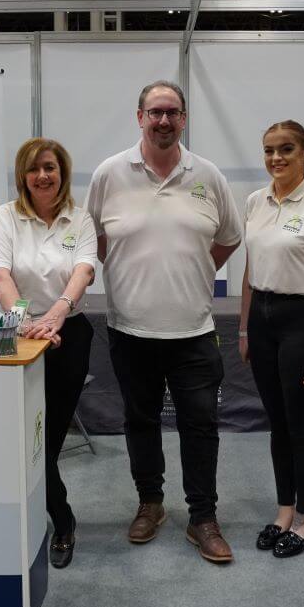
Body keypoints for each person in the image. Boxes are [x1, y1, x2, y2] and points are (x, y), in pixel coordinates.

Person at [86, 79, 243, 564]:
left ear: (184, 118)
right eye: (154, 112)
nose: (163, 121)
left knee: (201, 427)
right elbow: (92, 242)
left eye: (172, 112)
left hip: (194, 330)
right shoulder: (109, 174)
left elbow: (229, 239)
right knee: (141, 422)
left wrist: (192, 270)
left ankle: (203, 518)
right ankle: (150, 504)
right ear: (139, 117)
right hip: (130, 331)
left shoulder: (208, 175)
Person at [0, 138, 96, 569]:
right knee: (15, 437)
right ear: (22, 176)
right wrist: (23, 318)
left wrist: (55, 316)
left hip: (67, 336)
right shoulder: (5, 217)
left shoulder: (79, 218)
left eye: (50, 167)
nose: (43, 176)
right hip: (14, 336)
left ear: (62, 172)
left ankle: (61, 523)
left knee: (46, 439)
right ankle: (49, 517)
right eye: (34, 169)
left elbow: (83, 270)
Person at [239, 121, 304, 559]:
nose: (276, 158)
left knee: (301, 427)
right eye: (269, 150)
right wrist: (245, 327)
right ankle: (284, 510)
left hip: (302, 320)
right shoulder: (254, 201)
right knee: (277, 425)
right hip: (262, 319)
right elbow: (249, 271)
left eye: (286, 149)